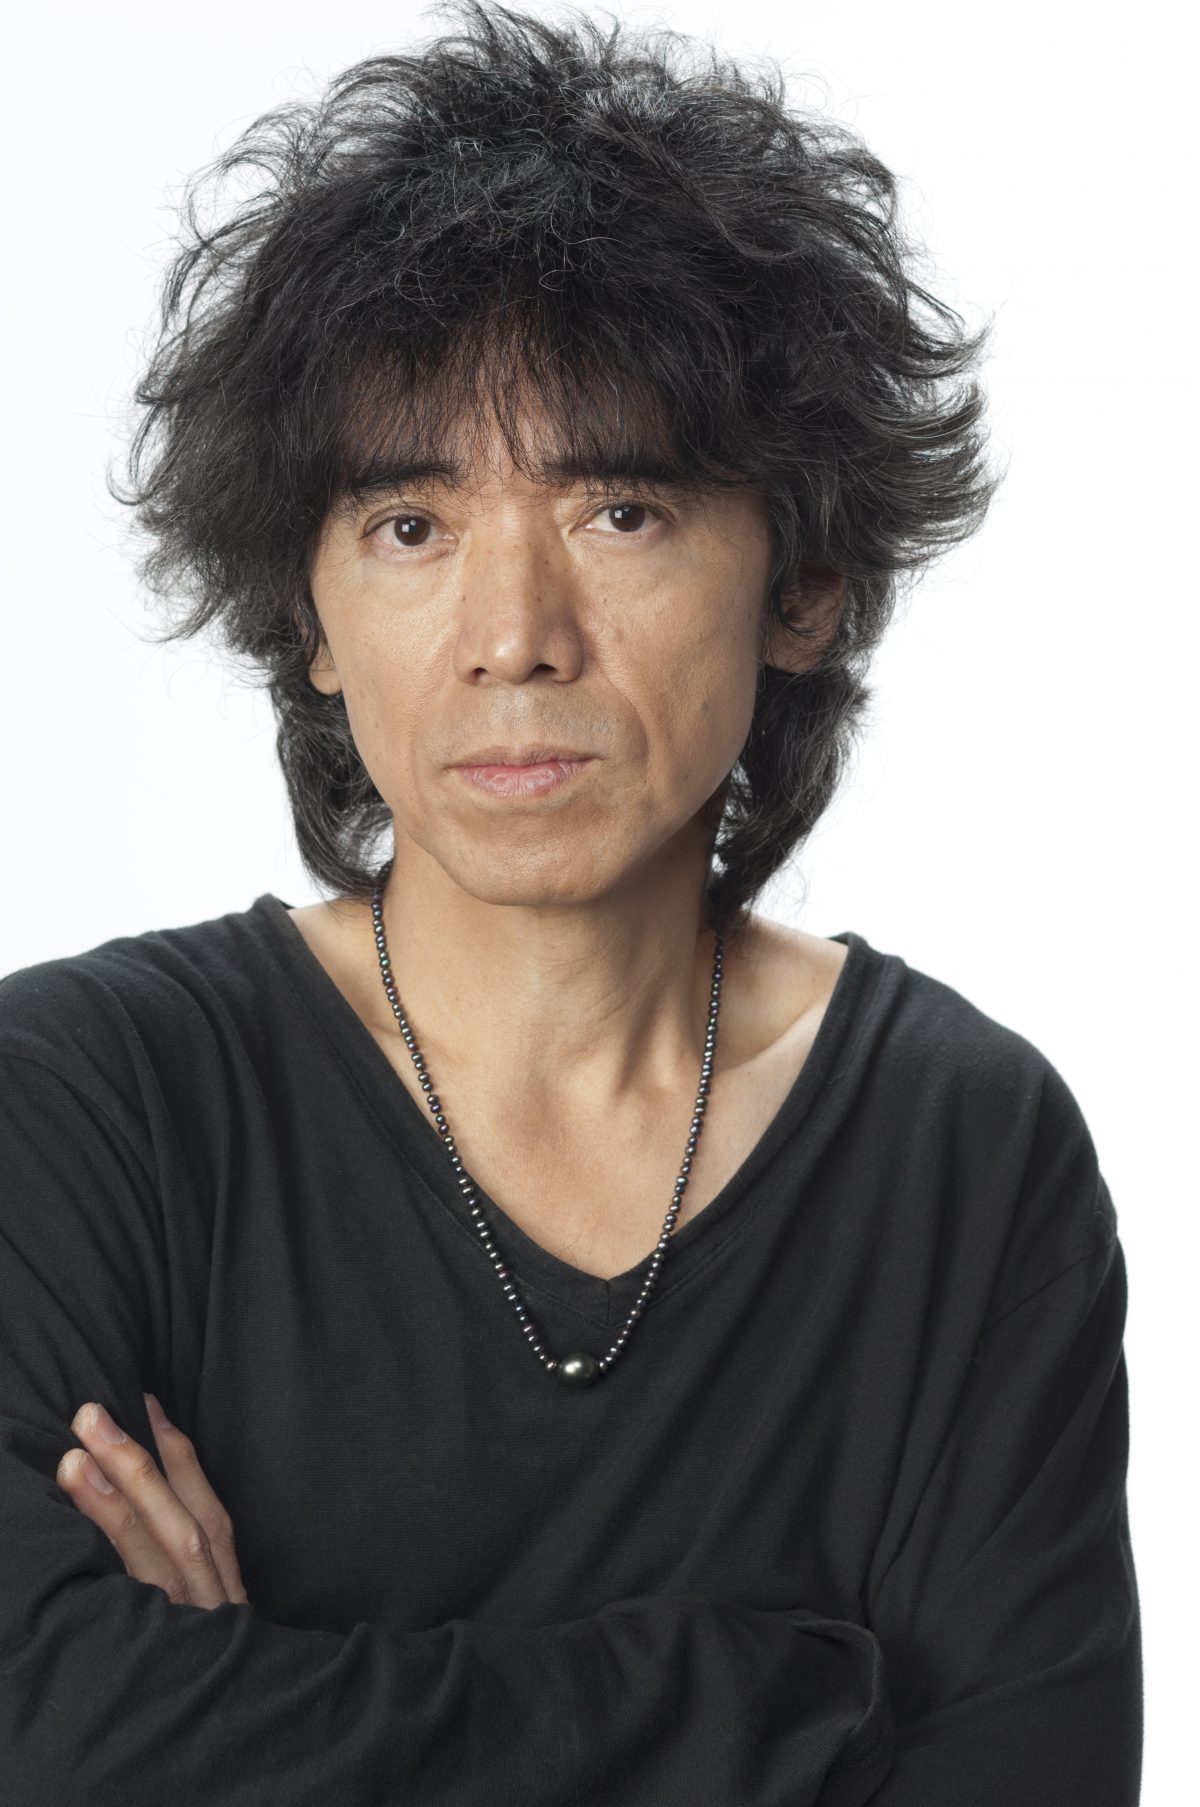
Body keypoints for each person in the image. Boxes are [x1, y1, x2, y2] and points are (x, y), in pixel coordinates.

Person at [0, 2, 1141, 1801]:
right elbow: (41, 1735)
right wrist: (775, 1703)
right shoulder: (85, 1105)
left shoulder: (964, 1154)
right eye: (410, 527)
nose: (514, 637)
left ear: (805, 582)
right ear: (308, 614)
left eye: (620, 513)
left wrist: (245, 1715)